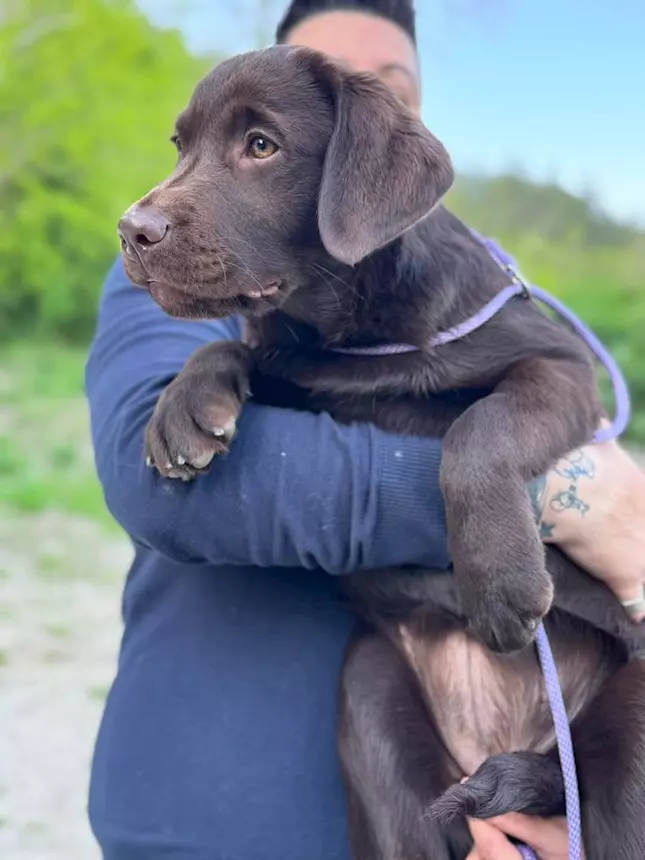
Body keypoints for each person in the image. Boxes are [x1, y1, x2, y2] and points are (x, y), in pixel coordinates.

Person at [85, 1, 645, 858]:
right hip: (230, 807)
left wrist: (493, 467)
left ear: (384, 158)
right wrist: (561, 497)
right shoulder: (193, 281)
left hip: (563, 701)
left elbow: (562, 386)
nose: (156, 205)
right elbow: (154, 482)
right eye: (198, 146)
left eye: (258, 145)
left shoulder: (475, 290)